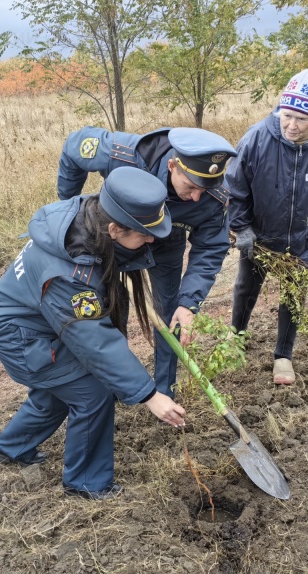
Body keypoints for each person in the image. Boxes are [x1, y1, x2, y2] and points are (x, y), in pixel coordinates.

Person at [0, 167, 186, 501]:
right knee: (92, 392)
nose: (151, 239)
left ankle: (13, 447)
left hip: (33, 322)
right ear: (114, 229)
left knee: (62, 389)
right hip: (20, 336)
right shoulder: (68, 276)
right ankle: (87, 483)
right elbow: (96, 344)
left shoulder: (88, 216)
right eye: (143, 233)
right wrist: (150, 395)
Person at [57, 126, 237, 398]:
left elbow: (211, 247)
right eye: (191, 186)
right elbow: (75, 146)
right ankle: (115, 385)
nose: (197, 197)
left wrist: (189, 303)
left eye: (205, 189)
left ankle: (164, 393)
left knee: (170, 315)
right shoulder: (126, 155)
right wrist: (69, 207)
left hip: (166, 246)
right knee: (108, 309)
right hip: (116, 240)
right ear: (173, 165)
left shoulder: (214, 195)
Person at [226, 69, 308, 385]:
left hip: (304, 237)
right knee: (246, 287)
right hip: (260, 237)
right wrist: (241, 227)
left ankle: (283, 355)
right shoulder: (257, 138)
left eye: (301, 120)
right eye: (286, 116)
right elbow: (236, 186)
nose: (291, 126)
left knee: (293, 294)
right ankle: (236, 337)